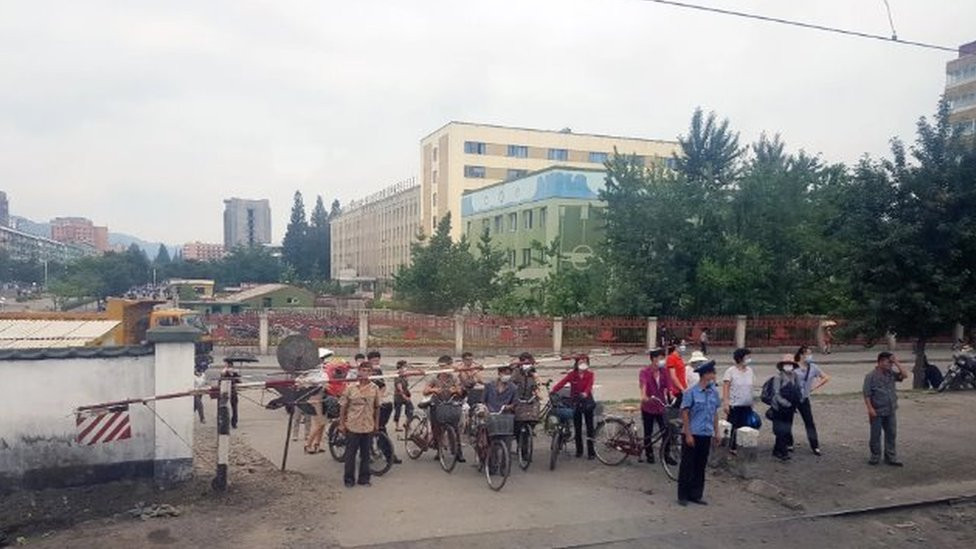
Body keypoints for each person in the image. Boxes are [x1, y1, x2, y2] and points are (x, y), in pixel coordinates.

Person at [677, 360, 721, 506]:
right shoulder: (691, 392)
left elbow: (715, 413)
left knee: (700, 466)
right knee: (687, 465)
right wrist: (688, 434)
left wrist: (717, 432)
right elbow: (685, 414)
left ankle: (696, 494)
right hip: (693, 433)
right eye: (712, 373)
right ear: (705, 375)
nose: (714, 376)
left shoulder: (713, 392)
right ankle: (683, 495)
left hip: (706, 433)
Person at [339, 362, 380, 488]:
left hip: (367, 425)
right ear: (359, 371)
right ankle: (349, 479)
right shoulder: (351, 388)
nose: (365, 373)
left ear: (371, 373)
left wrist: (376, 424)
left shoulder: (374, 388)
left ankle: (364, 478)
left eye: (368, 371)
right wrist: (341, 423)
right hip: (353, 425)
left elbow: (377, 407)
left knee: (366, 454)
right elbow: (343, 407)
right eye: (363, 370)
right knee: (350, 454)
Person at [863, 352, 906, 466]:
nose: (890, 365)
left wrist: (896, 362)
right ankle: (875, 456)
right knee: (875, 434)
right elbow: (867, 394)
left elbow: (904, 375)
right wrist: (870, 409)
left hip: (890, 409)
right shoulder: (871, 376)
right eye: (888, 362)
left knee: (891, 433)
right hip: (877, 410)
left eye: (891, 363)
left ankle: (890, 456)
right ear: (881, 362)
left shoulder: (890, 374)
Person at [552, 355, 596, 459]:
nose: (583, 364)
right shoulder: (572, 375)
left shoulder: (590, 374)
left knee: (590, 428)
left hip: (587, 402)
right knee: (578, 427)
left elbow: (589, 386)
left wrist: (585, 393)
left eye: (585, 362)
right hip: (576, 402)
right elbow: (561, 383)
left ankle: (591, 452)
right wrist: (553, 390)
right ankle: (579, 451)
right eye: (581, 362)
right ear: (576, 364)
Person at [423, 355, 465, 463]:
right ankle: (438, 450)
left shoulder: (454, 378)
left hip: (450, 404)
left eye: (447, 366)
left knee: (455, 428)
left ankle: (458, 452)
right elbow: (425, 390)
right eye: (442, 366)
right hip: (437, 404)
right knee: (436, 428)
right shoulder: (434, 378)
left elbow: (460, 390)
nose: (444, 369)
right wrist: (434, 390)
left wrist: (455, 390)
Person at [793, 345, 829, 456]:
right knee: (787, 421)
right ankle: (788, 444)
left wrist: (814, 387)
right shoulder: (793, 366)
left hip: (804, 398)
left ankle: (815, 446)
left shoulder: (813, 367)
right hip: (793, 397)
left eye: (810, 353)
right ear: (801, 355)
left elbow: (826, 377)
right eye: (808, 353)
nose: (810, 356)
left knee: (809, 422)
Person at [367, 350, 401, 465]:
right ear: (369, 361)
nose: (376, 362)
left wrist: (379, 397)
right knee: (366, 430)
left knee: (381, 428)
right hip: (365, 403)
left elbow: (382, 386)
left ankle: (389, 455)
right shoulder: (364, 371)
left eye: (378, 360)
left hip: (376, 403)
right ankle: (367, 453)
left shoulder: (378, 371)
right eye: (374, 360)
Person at [640, 348, 671, 464]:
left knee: (666, 431)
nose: (663, 360)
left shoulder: (664, 371)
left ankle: (666, 454)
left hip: (660, 405)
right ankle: (649, 453)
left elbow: (669, 386)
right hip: (648, 406)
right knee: (648, 432)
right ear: (653, 359)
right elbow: (643, 384)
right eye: (661, 358)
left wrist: (672, 395)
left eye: (663, 358)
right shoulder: (645, 372)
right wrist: (644, 396)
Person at [722, 348, 755, 455]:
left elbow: (751, 387)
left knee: (745, 425)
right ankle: (731, 446)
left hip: (747, 404)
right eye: (747, 356)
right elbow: (726, 387)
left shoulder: (750, 370)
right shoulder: (731, 371)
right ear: (740, 358)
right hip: (734, 404)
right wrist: (726, 402)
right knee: (733, 426)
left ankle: (741, 445)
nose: (749, 358)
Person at [770, 355, 802, 461]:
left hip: (790, 408)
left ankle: (777, 449)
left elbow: (798, 389)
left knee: (786, 429)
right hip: (779, 408)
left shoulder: (795, 376)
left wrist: (796, 402)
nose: (788, 366)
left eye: (790, 364)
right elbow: (776, 393)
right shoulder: (778, 377)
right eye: (786, 364)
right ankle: (783, 452)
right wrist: (785, 403)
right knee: (781, 429)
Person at [220, 358, 242, 429]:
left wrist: (237, 377)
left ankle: (234, 423)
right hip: (225, 393)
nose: (226, 366)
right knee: (224, 408)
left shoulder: (235, 373)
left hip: (233, 392)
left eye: (227, 365)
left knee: (234, 408)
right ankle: (225, 422)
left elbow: (239, 381)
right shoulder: (224, 372)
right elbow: (220, 381)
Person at [393, 360, 414, 431]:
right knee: (398, 411)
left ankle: (407, 423)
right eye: (405, 366)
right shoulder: (397, 376)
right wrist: (404, 396)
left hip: (405, 394)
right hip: (398, 396)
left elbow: (415, 373)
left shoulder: (405, 375)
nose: (406, 368)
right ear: (400, 367)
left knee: (410, 408)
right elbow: (399, 388)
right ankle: (397, 426)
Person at [666, 340, 689, 405]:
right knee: (675, 412)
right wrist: (682, 389)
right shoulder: (671, 358)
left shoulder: (679, 357)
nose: (684, 347)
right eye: (682, 345)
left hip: (682, 388)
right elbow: (673, 376)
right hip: (675, 390)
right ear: (676, 346)